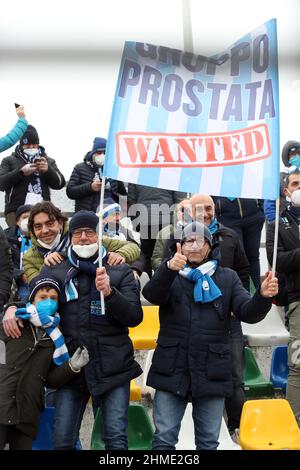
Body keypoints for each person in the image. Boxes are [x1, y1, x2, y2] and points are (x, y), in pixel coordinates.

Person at [1, 210, 143, 450]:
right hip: (71, 370)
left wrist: (110, 293)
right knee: (63, 440)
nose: (84, 238)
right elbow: (34, 303)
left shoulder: (119, 270)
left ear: (99, 235)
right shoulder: (55, 268)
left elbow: (134, 317)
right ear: (71, 236)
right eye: (78, 234)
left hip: (113, 367)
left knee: (116, 439)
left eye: (89, 232)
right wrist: (12, 308)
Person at [143, 221, 278, 450]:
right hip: (172, 366)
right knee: (163, 439)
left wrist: (262, 296)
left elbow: (247, 312)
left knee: (208, 442)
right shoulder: (171, 272)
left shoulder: (228, 277)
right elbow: (151, 294)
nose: (194, 245)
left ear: (210, 246)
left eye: (201, 241)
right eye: (188, 241)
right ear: (180, 246)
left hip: (212, 369)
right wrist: (167, 269)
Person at [152, 193, 250, 435]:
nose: (205, 213)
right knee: (164, 438)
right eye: (199, 208)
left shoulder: (229, 236)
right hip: (181, 329)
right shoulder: (175, 239)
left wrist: (250, 298)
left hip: (223, 322)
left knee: (235, 376)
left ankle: (236, 426)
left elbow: (244, 270)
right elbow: (157, 289)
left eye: (209, 208)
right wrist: (167, 269)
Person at [0, 275, 89, 450]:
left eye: (53, 298)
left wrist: (72, 367)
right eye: (43, 297)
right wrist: (11, 307)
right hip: (2, 402)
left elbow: (50, 379)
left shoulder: (56, 337)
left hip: (28, 411)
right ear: (32, 298)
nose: (48, 301)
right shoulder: (12, 322)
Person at [22, 202, 140, 283]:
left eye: (50, 223)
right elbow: (38, 287)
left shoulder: (82, 237)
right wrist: (49, 265)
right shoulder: (28, 258)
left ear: (61, 222)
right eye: (38, 226)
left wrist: (121, 254)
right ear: (32, 230)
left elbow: (133, 247)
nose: (45, 230)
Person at [266, 168, 300, 424]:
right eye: (296, 183)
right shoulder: (277, 223)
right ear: (286, 190)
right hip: (298, 300)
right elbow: (278, 260)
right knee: (298, 366)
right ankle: (294, 426)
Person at [0, 125, 65, 226]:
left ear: (38, 145)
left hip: (43, 209)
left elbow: (60, 183)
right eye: (28, 145)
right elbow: (1, 183)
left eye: (34, 145)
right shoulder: (8, 160)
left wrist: (48, 170)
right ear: (21, 145)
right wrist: (20, 172)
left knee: (41, 237)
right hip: (15, 211)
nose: (31, 148)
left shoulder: (48, 160)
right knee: (16, 239)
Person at [127, 183, 185, 278]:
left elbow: (131, 200)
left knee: (146, 256)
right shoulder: (173, 170)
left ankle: (148, 283)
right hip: (166, 220)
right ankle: (163, 280)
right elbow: (180, 200)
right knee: (166, 254)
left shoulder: (137, 171)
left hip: (144, 220)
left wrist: (136, 221)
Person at [213, 196, 264, 289]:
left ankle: (257, 295)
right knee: (238, 257)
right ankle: (241, 295)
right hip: (227, 218)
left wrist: (261, 209)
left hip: (253, 216)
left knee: (253, 256)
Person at [66, 137, 127, 212]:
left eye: (105, 153)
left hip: (110, 216)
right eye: (99, 153)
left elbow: (122, 193)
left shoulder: (112, 170)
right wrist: (90, 187)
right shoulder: (80, 168)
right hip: (88, 216)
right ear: (92, 153)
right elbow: (70, 191)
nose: (102, 155)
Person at [264, 140, 300, 223]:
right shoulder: (278, 178)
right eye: (293, 155)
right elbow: (269, 202)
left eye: (299, 154)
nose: (297, 157)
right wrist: (274, 220)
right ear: (286, 157)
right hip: (284, 220)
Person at [4, 204, 32, 301]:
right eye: (24, 217)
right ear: (17, 221)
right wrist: (21, 275)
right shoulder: (6, 238)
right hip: (14, 282)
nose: (28, 220)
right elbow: (5, 264)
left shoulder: (42, 236)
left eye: (31, 217)